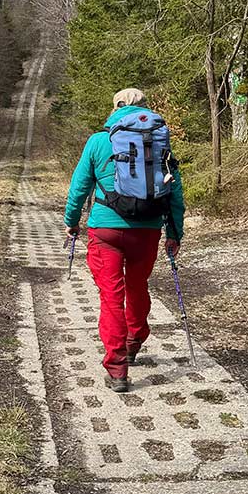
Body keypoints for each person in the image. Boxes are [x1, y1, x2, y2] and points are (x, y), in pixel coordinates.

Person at [64, 87, 185, 392]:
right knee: (138, 286)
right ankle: (134, 341)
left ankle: (117, 369)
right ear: (145, 109)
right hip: (147, 229)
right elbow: (174, 191)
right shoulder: (159, 142)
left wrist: (71, 222)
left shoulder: (98, 141)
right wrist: (174, 233)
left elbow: (79, 187)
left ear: (116, 108)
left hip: (106, 230)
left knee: (111, 296)